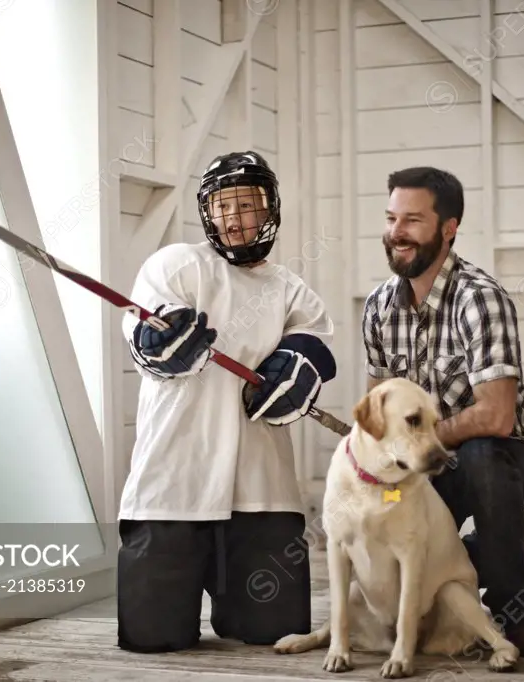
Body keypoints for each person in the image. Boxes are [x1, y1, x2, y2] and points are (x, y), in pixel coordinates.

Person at [116, 150, 337, 653]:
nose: (233, 219)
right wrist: (160, 341)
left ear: (269, 210)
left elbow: (317, 348)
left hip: (263, 492)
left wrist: (298, 369)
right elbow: (139, 327)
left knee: (270, 634)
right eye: (221, 207)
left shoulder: (291, 289)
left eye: (246, 206)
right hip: (171, 483)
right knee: (152, 639)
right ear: (207, 212)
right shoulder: (175, 264)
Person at [360, 166, 524, 657]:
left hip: (505, 459)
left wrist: (415, 442)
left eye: (412, 221)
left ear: (449, 228)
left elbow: (496, 417)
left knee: (485, 455)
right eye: (391, 218)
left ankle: (515, 609)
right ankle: (414, 594)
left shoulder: (479, 298)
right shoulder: (380, 307)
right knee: (374, 502)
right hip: (425, 466)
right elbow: (380, 414)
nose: (396, 233)